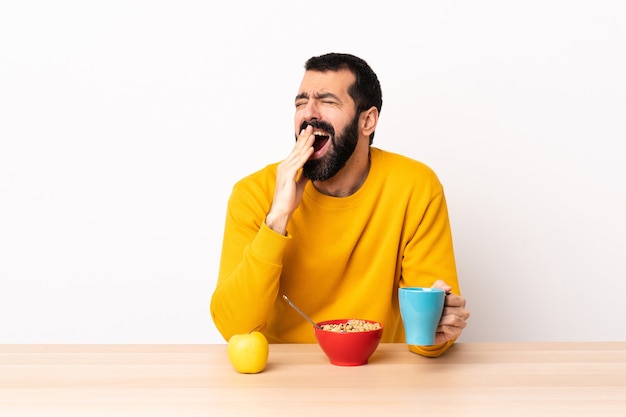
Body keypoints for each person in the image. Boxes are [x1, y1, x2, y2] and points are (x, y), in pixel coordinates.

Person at [210, 52, 470, 357]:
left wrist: (440, 329)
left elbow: (426, 336)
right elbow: (234, 327)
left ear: (368, 120)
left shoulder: (416, 188)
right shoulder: (253, 194)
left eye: (328, 101)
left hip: (380, 374)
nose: (309, 113)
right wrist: (277, 217)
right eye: (300, 102)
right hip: (282, 379)